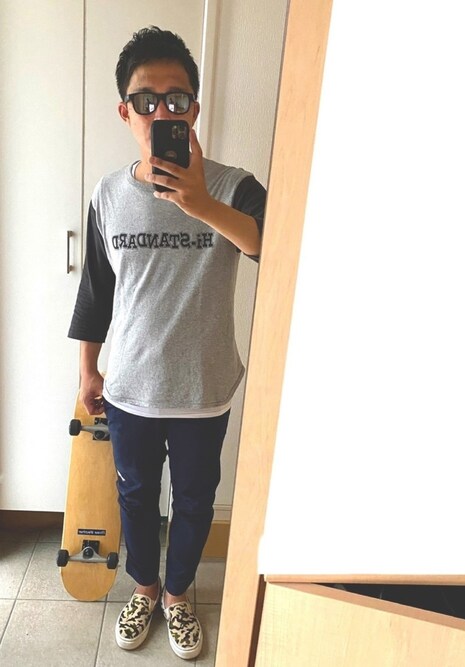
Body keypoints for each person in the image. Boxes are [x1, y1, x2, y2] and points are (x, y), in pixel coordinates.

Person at [68, 26, 266, 660]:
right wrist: (88, 370)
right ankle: (146, 587)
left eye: (176, 100)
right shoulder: (107, 195)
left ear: (194, 111)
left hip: (204, 387)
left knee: (196, 500)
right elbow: (96, 291)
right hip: (129, 387)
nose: (161, 112)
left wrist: (200, 203)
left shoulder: (233, 187)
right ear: (124, 112)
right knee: (134, 495)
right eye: (145, 100)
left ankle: (178, 595)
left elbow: (273, 244)